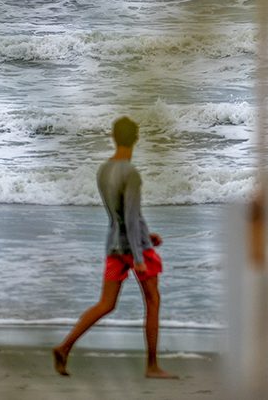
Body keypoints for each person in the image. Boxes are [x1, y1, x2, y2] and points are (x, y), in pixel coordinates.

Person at [53, 116, 175, 379]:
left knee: (106, 303)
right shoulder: (130, 173)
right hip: (134, 249)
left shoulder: (104, 170)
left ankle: (64, 347)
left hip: (113, 245)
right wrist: (140, 253)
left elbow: (119, 215)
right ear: (136, 139)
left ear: (114, 137)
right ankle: (152, 366)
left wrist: (145, 234)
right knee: (153, 301)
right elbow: (130, 217)